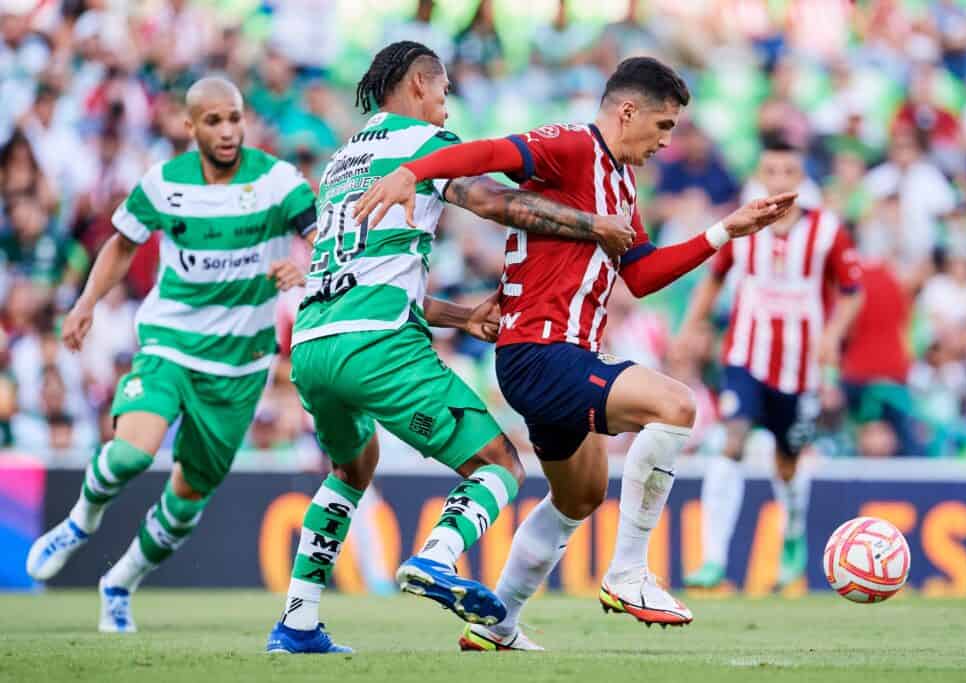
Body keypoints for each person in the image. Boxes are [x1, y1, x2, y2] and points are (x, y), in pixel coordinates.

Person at [354, 56, 796, 650]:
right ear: (628, 111)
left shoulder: (621, 181)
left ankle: (497, 622)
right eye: (663, 127)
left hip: (556, 356)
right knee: (676, 406)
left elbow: (639, 274)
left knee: (581, 495)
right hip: (541, 352)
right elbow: (487, 154)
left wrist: (725, 231)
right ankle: (628, 574)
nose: (666, 142)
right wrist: (413, 171)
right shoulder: (569, 146)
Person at [264, 41, 634, 655]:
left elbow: (369, 277)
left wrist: (461, 317)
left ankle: (298, 622)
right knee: (498, 465)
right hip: (378, 346)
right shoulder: (423, 145)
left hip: (314, 343)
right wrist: (595, 225)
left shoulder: (341, 162)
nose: (444, 108)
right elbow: (491, 202)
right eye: (442, 93)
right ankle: (436, 558)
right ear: (416, 85)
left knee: (351, 469)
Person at [25, 76, 314, 633]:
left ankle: (121, 581)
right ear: (190, 127)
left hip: (241, 365)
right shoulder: (163, 184)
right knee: (132, 454)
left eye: (235, 118)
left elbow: (321, 229)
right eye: (214, 121)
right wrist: (87, 302)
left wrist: (306, 263)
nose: (228, 131)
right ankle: (79, 522)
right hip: (170, 342)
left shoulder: (277, 181)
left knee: (188, 498)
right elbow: (122, 243)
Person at [677, 138, 863, 591]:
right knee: (731, 441)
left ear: (801, 181)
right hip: (745, 356)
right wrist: (689, 329)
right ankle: (713, 559)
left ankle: (793, 539)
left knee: (787, 461)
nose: (778, 181)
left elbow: (853, 291)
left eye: (787, 173)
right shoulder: (743, 227)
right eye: (770, 172)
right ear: (760, 177)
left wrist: (833, 336)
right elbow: (714, 279)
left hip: (800, 369)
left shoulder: (827, 231)